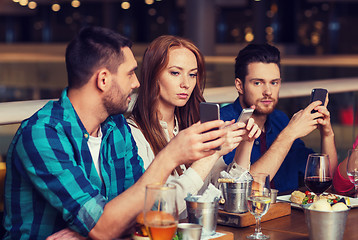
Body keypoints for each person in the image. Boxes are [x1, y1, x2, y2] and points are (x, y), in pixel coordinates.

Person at [3, 27, 228, 239]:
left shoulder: (116, 127)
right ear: (103, 80)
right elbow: (104, 228)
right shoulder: (42, 135)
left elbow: (144, 208)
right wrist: (170, 156)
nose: (137, 82)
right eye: (130, 73)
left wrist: (89, 233)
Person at [128, 35, 261, 216]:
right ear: (152, 75)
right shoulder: (132, 134)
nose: (186, 84)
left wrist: (246, 142)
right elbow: (159, 210)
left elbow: (224, 195)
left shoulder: (193, 126)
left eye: (192, 74)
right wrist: (214, 152)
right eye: (175, 73)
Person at [220, 43, 338, 192]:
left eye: (274, 82)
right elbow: (242, 191)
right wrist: (289, 134)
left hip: (290, 214)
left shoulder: (280, 119)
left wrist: (327, 134)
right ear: (239, 85)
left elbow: (325, 177)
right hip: (251, 214)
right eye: (258, 83)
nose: (268, 91)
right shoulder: (223, 124)